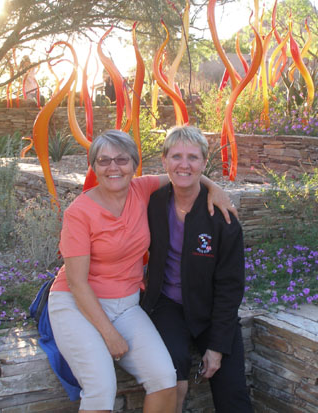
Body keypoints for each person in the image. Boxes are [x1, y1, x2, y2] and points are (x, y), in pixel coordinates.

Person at [48, 129, 236, 412]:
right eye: (104, 161)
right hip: (77, 305)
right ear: (94, 166)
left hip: (126, 306)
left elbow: (184, 174)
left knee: (164, 378)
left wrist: (215, 188)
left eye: (122, 160)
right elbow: (77, 283)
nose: (113, 167)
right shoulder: (79, 213)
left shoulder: (142, 188)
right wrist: (109, 334)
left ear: (134, 165)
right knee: (101, 387)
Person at [142, 126, 253, 413]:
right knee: (171, 370)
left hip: (211, 310)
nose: (184, 164)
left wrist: (216, 347)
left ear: (204, 163)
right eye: (176, 156)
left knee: (233, 396)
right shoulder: (152, 202)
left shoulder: (222, 217)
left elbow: (231, 286)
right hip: (167, 306)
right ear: (164, 160)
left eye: (193, 157)